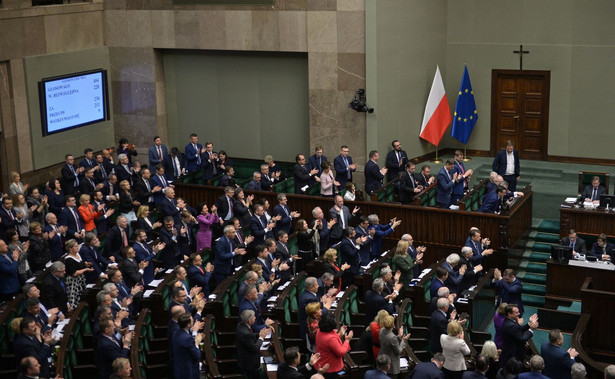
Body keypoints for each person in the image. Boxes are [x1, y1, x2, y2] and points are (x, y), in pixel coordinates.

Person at [237, 309, 271, 379]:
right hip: (250, 363)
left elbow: (250, 335)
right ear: (250, 320)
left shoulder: (241, 325)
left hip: (245, 356)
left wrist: (259, 334)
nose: (255, 318)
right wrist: (261, 337)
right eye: (254, 317)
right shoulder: (245, 333)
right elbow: (255, 347)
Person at [172, 312, 204, 379]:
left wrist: (194, 331)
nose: (193, 322)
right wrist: (197, 342)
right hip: (187, 370)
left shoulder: (175, 333)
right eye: (192, 321)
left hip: (178, 367)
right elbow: (197, 355)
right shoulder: (187, 338)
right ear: (188, 325)